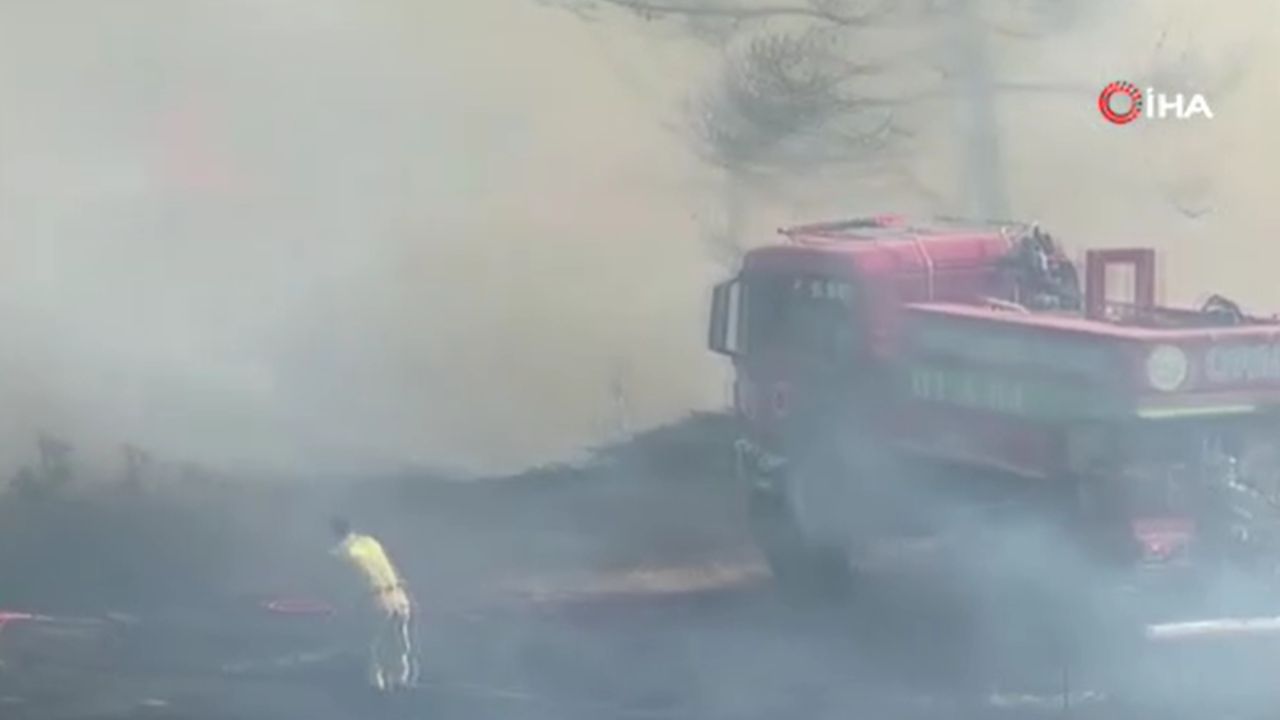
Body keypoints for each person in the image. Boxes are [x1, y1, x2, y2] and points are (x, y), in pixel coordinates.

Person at [329, 516, 416, 692]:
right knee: (400, 642)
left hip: (377, 598)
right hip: (399, 594)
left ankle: (377, 687)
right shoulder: (370, 542)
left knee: (374, 645)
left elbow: (344, 583)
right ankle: (401, 681)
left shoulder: (340, 552)